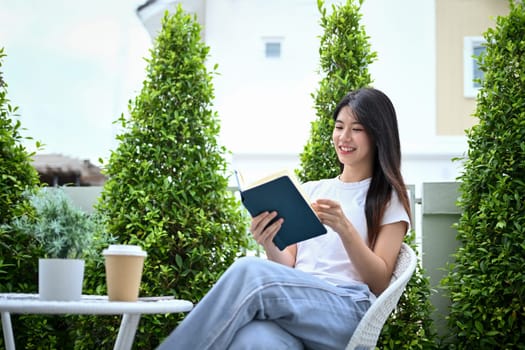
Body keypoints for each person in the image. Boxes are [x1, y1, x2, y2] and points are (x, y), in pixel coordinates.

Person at [157, 87, 411, 350]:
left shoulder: (388, 198)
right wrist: (270, 240)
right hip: (296, 305)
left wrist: (345, 229)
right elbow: (287, 266)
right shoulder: (312, 190)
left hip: (346, 312)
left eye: (357, 129)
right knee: (253, 339)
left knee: (249, 271)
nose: (344, 137)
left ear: (378, 135)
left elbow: (380, 282)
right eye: (339, 126)